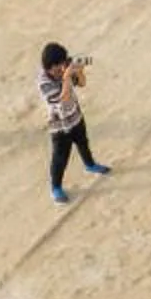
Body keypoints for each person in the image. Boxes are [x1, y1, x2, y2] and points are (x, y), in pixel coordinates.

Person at [36, 42, 111, 205]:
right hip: (60, 125)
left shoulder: (64, 68)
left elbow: (82, 83)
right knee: (60, 157)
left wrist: (80, 71)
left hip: (75, 115)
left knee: (83, 142)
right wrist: (67, 77)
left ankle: (90, 165)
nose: (63, 67)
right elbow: (63, 98)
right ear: (51, 67)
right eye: (60, 65)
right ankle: (56, 188)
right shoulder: (44, 82)